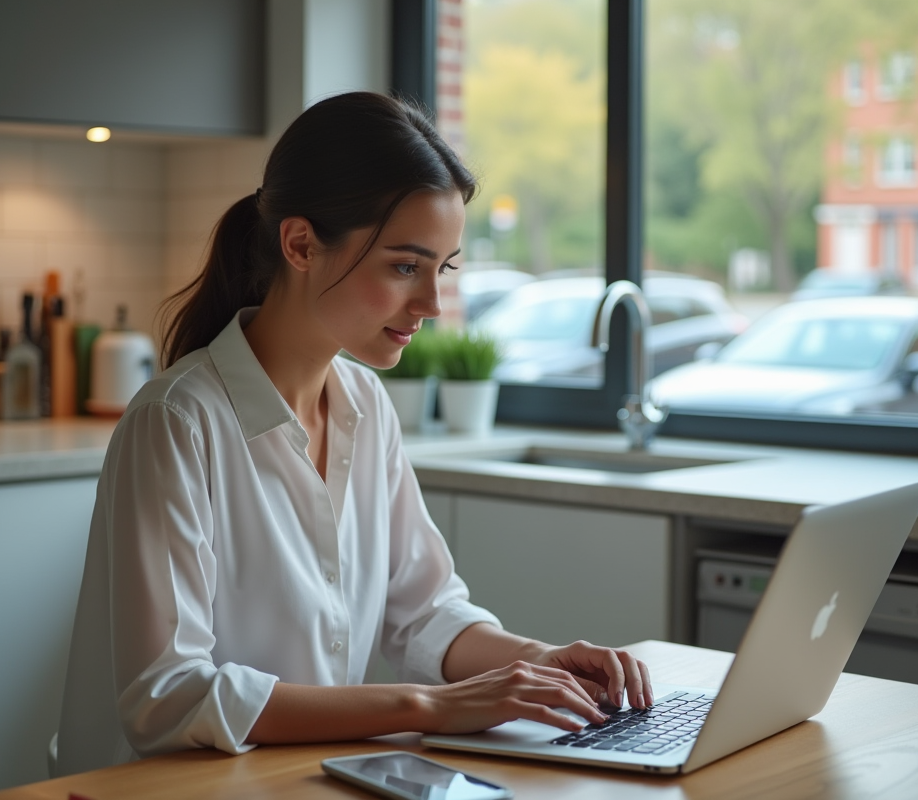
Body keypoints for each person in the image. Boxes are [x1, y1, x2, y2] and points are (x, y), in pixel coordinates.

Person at [56, 91, 652, 776]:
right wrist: (428, 707)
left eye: (443, 268)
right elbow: (169, 697)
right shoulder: (176, 422)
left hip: (295, 779)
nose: (432, 304)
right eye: (405, 266)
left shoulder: (365, 404)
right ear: (300, 245)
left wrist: (540, 661)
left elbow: (424, 613)